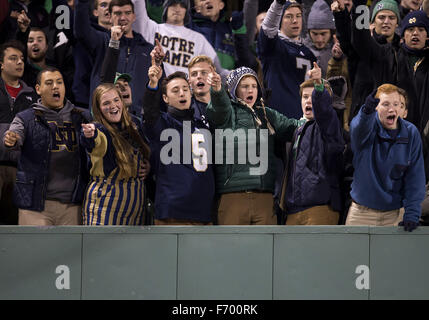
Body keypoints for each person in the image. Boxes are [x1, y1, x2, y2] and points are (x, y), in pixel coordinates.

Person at [206, 66, 303, 225]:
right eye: (244, 86)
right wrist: (217, 90)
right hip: (232, 197)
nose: (250, 90)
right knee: (231, 248)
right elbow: (218, 107)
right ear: (234, 89)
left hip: (264, 198)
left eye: (254, 86)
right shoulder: (226, 113)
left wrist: (316, 113)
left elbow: (293, 127)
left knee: (265, 249)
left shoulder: (267, 114)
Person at [3, 67, 91, 225]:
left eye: (59, 82)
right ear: (38, 89)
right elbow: (15, 134)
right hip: (35, 207)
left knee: (69, 250)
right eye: (49, 83)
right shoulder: (25, 118)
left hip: (73, 205)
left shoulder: (82, 117)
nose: (55, 87)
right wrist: (12, 139)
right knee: (34, 250)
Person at [142, 45, 215, 225]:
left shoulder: (203, 125)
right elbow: (150, 112)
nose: (182, 93)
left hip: (204, 213)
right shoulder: (162, 123)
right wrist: (153, 85)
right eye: (175, 91)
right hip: (172, 212)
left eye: (184, 89)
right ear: (165, 98)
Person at [347, 84, 425, 232]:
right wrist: (366, 111)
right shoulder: (366, 130)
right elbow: (357, 129)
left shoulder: (411, 133)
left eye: (396, 104)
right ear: (376, 108)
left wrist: (412, 214)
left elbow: (415, 178)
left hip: (395, 214)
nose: (392, 109)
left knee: (394, 256)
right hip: (361, 213)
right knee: (351, 255)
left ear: (403, 111)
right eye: (385, 104)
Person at [279, 62, 345, 225]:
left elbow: (324, 112)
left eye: (313, 96)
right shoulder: (296, 129)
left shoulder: (329, 124)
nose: (309, 101)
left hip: (320, 209)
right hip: (293, 210)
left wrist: (319, 87)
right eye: (305, 97)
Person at [80, 83, 151, 225]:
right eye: (106, 103)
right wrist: (89, 134)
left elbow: (146, 152)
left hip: (136, 207)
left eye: (116, 100)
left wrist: (147, 166)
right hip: (105, 206)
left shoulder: (135, 124)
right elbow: (94, 140)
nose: (113, 106)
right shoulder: (99, 129)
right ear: (98, 109)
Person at [74, 0, 153, 115]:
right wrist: (81, 3)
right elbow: (81, 31)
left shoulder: (148, 49)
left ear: (134, 16)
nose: (123, 17)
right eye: (118, 13)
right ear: (110, 17)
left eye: (127, 13)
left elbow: (159, 88)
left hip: (137, 121)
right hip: (104, 117)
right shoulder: (102, 41)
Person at [132, 0, 229, 79]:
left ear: (186, 12)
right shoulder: (152, 28)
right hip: (154, 86)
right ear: (166, 8)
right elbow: (138, 10)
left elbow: (218, 69)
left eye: (182, 6)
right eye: (173, 5)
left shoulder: (198, 38)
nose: (177, 9)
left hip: (184, 92)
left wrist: (237, 75)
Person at [257, 0, 316, 119]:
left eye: (298, 16)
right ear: (279, 20)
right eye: (289, 16)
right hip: (278, 120)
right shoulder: (272, 46)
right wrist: (278, 4)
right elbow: (268, 28)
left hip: (303, 119)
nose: (295, 20)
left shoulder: (309, 53)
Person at [0, 40, 37, 224]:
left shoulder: (31, 95)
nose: (20, 62)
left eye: (21, 59)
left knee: (14, 224)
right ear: (1, 63)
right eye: (13, 58)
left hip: (19, 169)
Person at [188, 0, 257, 71]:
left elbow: (248, 64)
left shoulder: (232, 28)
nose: (208, 1)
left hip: (226, 79)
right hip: (198, 79)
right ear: (197, 8)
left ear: (221, 5)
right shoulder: (189, 28)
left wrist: (239, 32)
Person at [303, 0, 336, 78]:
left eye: (323, 33)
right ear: (309, 32)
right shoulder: (301, 51)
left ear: (331, 32)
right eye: (315, 33)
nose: (319, 39)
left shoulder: (339, 52)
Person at [187, 54, 215, 126]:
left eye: (204, 73)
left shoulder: (227, 106)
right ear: (189, 81)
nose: (199, 76)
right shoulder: (185, 109)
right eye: (194, 74)